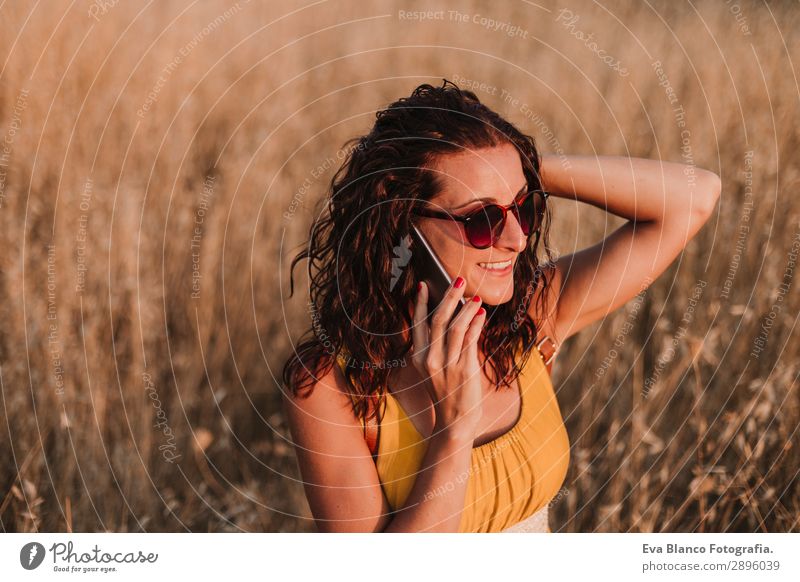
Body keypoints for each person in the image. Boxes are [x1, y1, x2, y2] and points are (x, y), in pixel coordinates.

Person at [281, 79, 721, 532]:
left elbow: (694, 197)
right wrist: (453, 431)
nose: (516, 239)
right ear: (402, 224)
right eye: (482, 219)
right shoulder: (331, 385)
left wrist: (521, 169)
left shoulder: (530, 318)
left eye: (522, 207)